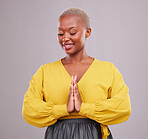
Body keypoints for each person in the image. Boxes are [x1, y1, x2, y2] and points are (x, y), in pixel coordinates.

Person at [22, 8, 131, 139]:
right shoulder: (45, 71)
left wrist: (84, 108)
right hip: (57, 135)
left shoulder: (108, 69)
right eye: (61, 34)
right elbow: (29, 110)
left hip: (95, 134)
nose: (65, 38)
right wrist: (64, 109)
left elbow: (123, 107)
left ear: (88, 32)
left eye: (72, 32)